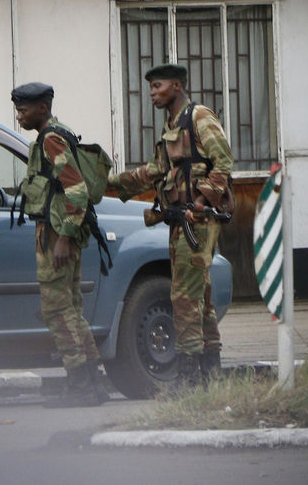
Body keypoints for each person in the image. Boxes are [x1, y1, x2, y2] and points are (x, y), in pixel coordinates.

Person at [108, 64, 233, 387]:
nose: (152, 93)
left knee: (184, 298)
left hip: (197, 221)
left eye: (158, 86)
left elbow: (223, 160)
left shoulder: (199, 117)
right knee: (201, 297)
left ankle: (189, 376)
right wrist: (110, 183)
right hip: (180, 220)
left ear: (177, 86)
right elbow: (156, 171)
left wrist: (202, 201)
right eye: (150, 87)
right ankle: (211, 371)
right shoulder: (172, 126)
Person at [11, 82, 108, 407]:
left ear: (42, 108)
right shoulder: (59, 133)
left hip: (56, 233)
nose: (19, 117)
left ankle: (80, 385)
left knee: (56, 310)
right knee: (72, 311)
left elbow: (76, 190)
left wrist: (63, 239)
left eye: (23, 110)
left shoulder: (51, 139)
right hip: (62, 230)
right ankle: (94, 383)